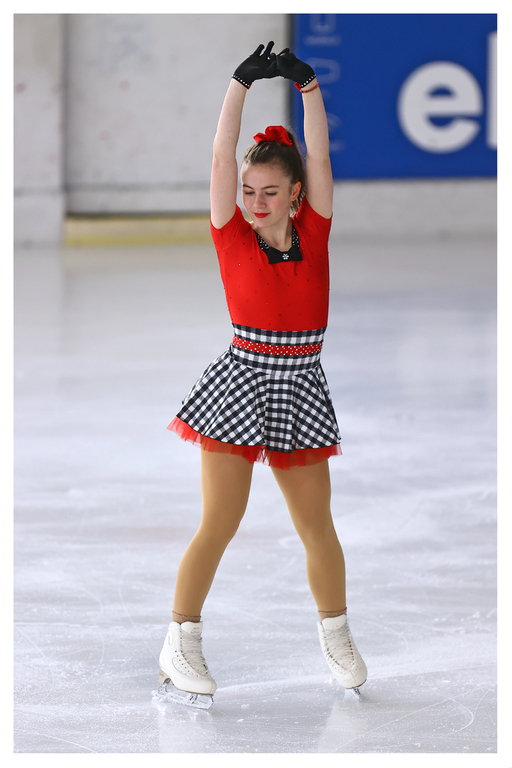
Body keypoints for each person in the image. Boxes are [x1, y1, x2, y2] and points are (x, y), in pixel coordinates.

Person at [155, 42, 367, 708]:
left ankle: (337, 635)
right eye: (249, 191)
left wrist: (309, 88)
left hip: (300, 387)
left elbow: (321, 157)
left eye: (270, 192)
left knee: (317, 525)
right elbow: (223, 157)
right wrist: (239, 85)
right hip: (241, 384)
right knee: (221, 521)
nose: (254, 201)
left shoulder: (316, 229)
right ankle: (179, 639)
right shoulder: (230, 233)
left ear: (295, 193)